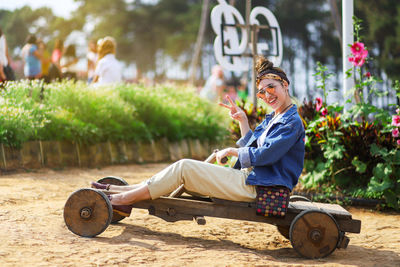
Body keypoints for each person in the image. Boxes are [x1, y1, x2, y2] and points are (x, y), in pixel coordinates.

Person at [91, 56, 305, 216]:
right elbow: (256, 147)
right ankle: (121, 191)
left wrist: (233, 150)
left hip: (258, 186)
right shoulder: (275, 117)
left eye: (271, 88)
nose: (267, 95)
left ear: (285, 85)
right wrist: (242, 122)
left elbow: (266, 155)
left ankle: (123, 198)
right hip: (252, 179)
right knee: (181, 169)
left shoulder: (291, 122)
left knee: (184, 167)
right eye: (262, 92)